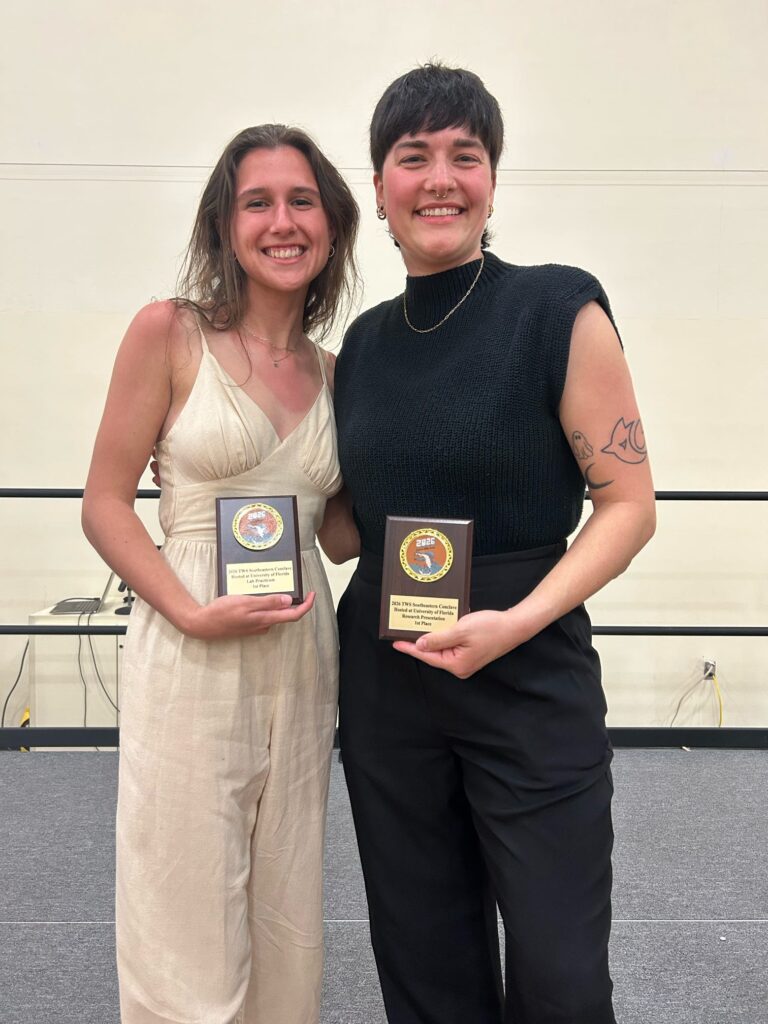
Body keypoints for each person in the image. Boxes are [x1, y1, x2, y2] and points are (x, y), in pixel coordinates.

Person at [332, 64, 656, 1024]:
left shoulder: (557, 309)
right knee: (424, 958)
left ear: (493, 179)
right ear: (381, 188)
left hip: (527, 661)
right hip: (388, 673)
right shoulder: (363, 345)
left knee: (559, 976)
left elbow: (629, 505)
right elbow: (351, 524)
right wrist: (229, 488)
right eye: (413, 156)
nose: (440, 177)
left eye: (464, 156)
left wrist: (514, 623)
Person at [82, 124, 359, 1024]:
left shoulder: (340, 372)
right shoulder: (170, 333)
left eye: (302, 200)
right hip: (190, 643)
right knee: (184, 898)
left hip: (303, 650)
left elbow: (349, 533)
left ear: (331, 224)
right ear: (224, 224)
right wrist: (189, 613)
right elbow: (105, 504)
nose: (283, 222)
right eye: (258, 202)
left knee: (287, 904)